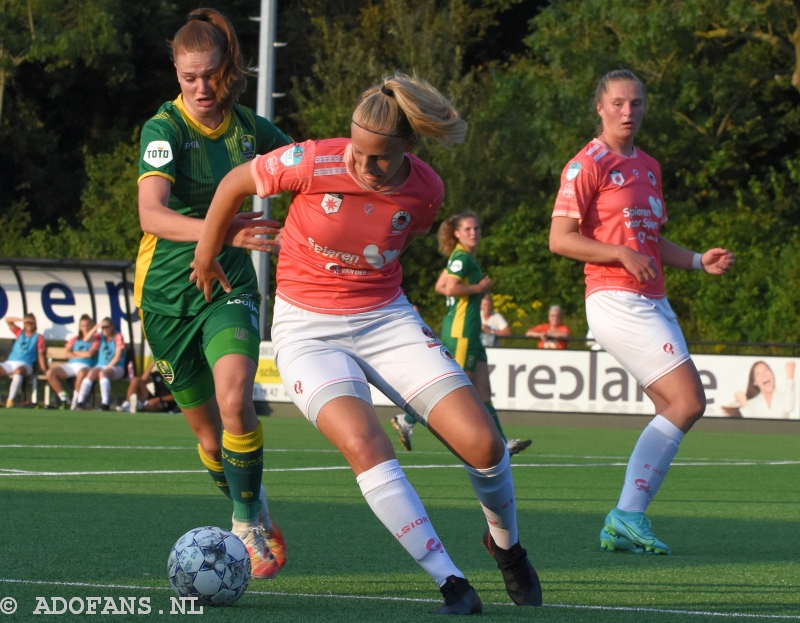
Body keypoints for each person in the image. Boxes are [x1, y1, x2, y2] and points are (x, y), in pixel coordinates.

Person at [191, 72, 542, 613]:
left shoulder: (427, 188)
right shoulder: (310, 161)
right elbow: (235, 183)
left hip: (385, 319)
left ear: (408, 148)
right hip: (307, 329)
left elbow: (410, 231)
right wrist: (206, 252)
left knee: (485, 447)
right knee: (366, 444)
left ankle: (507, 549)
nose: (362, 165)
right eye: (357, 152)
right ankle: (451, 581)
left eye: (379, 158)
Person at [549, 69, 735, 555]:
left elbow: (650, 241)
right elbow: (560, 239)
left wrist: (697, 260)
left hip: (652, 298)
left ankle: (625, 520)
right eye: (617, 103)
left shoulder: (649, 165)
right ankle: (627, 514)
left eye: (636, 103)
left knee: (677, 405)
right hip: (614, 297)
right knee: (688, 400)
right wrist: (617, 254)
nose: (628, 112)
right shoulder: (586, 164)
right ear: (600, 107)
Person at [135, 7, 292, 579]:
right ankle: (251, 501)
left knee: (234, 403)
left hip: (229, 288)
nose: (201, 88)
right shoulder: (165, 129)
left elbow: (309, 171)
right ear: (176, 74)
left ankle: (246, 525)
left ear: (227, 68)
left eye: (210, 75)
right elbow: (151, 214)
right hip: (167, 295)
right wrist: (222, 229)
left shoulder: (252, 129)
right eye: (188, 77)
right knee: (207, 436)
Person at [392, 213, 531, 458]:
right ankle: (407, 419)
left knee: (483, 390)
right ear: (456, 232)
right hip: (461, 332)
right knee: (454, 390)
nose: (473, 233)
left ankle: (502, 442)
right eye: (467, 229)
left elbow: (439, 285)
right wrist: (480, 288)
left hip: (471, 333)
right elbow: (450, 287)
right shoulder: (462, 258)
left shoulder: (461, 257)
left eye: (476, 228)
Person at [45, 314, 99, 409]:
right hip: (71, 365)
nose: (85, 328)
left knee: (82, 373)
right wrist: (82, 353)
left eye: (88, 325)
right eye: (83, 325)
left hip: (86, 365)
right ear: (79, 327)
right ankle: (64, 398)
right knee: (50, 373)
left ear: (92, 326)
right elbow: (67, 354)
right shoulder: (75, 339)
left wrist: (75, 353)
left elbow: (90, 354)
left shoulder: (96, 339)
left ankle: (75, 401)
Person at [73, 318, 126, 411]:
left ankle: (105, 404)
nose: (104, 330)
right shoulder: (100, 337)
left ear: (112, 327)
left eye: (107, 327)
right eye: (103, 328)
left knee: (102, 373)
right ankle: (80, 402)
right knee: (91, 373)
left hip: (116, 366)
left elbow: (117, 357)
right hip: (101, 366)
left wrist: (107, 368)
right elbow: (86, 340)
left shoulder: (118, 336)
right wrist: (97, 326)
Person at [1, 314, 47, 408]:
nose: (29, 324)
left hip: (26, 364)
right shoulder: (19, 333)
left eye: (31, 322)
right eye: (27, 322)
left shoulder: (39, 337)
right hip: (11, 362)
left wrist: (44, 369)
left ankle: (10, 401)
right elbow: (8, 320)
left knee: (18, 371)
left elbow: (41, 355)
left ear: (35, 324)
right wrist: (22, 319)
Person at [729, 361, 796, 419]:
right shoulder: (751, 404)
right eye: (758, 374)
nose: (764, 375)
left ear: (772, 375)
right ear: (755, 382)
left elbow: (789, 407)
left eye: (766, 370)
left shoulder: (784, 397)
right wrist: (743, 402)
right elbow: (753, 425)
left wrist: (790, 377)